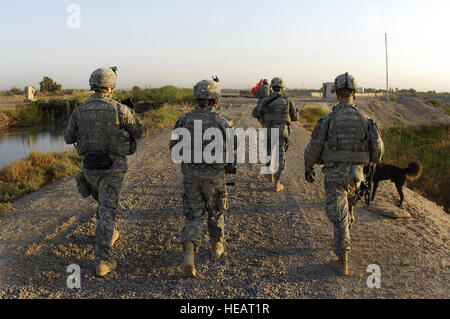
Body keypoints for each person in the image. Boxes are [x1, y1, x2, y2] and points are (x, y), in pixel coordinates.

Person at [64, 67, 144, 277]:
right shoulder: (120, 109)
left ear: (93, 85)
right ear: (111, 85)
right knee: (108, 211)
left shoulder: (79, 110)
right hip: (112, 169)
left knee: (103, 205)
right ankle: (102, 261)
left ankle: (109, 234)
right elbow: (139, 132)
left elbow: (67, 137)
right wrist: (131, 111)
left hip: (90, 167)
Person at [304, 73, 384, 275]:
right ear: (354, 93)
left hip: (334, 175)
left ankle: (342, 260)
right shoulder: (367, 120)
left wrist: (308, 166)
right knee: (347, 212)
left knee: (339, 217)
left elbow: (314, 147)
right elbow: (378, 150)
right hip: (357, 176)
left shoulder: (327, 119)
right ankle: (343, 240)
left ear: (336, 93)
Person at [170, 79, 236, 278]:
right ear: (216, 100)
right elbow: (232, 153)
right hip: (214, 177)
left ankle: (189, 255)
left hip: (191, 177)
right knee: (216, 212)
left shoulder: (183, 121)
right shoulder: (222, 123)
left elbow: (174, 150)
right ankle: (216, 246)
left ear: (196, 98)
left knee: (193, 215)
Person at [252, 77, 299, 191]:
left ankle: (269, 175)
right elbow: (295, 117)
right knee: (280, 156)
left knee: (268, 152)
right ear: (282, 87)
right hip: (282, 132)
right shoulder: (288, 100)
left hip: (268, 130)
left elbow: (255, 113)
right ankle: (277, 184)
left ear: (272, 87)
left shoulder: (265, 100)